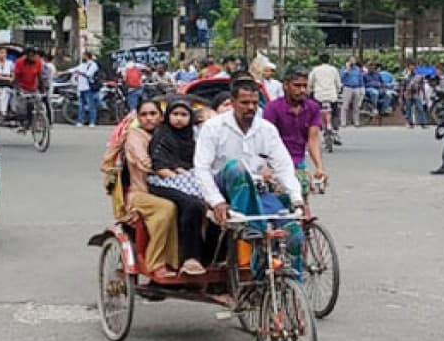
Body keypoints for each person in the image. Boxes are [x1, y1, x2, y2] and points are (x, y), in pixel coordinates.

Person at [194, 79, 305, 275]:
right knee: (237, 168)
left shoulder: (266, 129)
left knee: (294, 232)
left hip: (257, 191)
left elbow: (283, 165)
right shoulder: (213, 127)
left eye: (254, 103)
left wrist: (296, 197)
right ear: (233, 102)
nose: (250, 107)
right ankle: (255, 231)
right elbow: (201, 168)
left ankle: (293, 294)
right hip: (225, 186)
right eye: (245, 103)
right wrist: (216, 201)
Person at [109, 99, 182, 279]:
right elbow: (144, 162)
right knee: (166, 208)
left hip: (169, 188)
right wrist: (169, 168)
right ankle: (156, 262)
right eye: (144, 115)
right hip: (140, 193)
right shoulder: (135, 136)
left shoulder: (167, 134)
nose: (149, 118)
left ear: (161, 116)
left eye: (153, 114)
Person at [149, 98, 208, 276]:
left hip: (191, 179)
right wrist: (180, 175)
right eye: (175, 114)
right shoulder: (162, 136)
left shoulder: (195, 136)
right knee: (192, 205)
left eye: (184, 115)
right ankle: (189, 258)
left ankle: (212, 257)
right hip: (163, 182)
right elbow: (160, 167)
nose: (179, 119)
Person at [262, 66, 329, 198]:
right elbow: (265, 141)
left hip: (298, 163)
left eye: (305, 86)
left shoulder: (312, 108)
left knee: (302, 190)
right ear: (286, 85)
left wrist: (319, 167)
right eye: (297, 86)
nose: (302, 90)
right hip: (275, 164)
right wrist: (265, 167)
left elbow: (313, 139)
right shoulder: (272, 108)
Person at [309, 54, 341, 139]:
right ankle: (335, 130)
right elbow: (338, 83)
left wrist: (311, 89)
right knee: (335, 113)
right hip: (332, 96)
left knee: (316, 112)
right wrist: (337, 91)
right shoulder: (334, 70)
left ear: (320, 60)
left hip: (319, 96)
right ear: (329, 60)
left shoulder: (315, 70)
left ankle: (319, 126)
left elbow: (310, 82)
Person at [12, 48, 45, 129]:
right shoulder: (19, 62)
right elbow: (16, 78)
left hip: (33, 87)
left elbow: (40, 77)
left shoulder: (38, 62)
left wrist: (43, 91)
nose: (32, 57)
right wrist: (19, 90)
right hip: (22, 86)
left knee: (39, 105)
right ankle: (23, 123)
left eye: (33, 55)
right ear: (26, 56)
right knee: (22, 107)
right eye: (30, 55)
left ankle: (38, 122)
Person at [69, 51, 100, 128]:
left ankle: (92, 121)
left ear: (87, 56)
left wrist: (80, 72)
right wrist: (62, 72)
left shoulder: (93, 65)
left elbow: (89, 74)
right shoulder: (82, 65)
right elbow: (74, 69)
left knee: (91, 105)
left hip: (89, 87)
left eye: (83, 56)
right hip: (81, 87)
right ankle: (80, 121)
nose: (82, 57)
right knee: (81, 106)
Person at [339, 56, 366, 128]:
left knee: (356, 106)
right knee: (345, 106)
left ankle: (356, 122)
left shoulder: (358, 69)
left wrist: (361, 88)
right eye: (351, 60)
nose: (353, 61)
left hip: (357, 88)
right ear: (348, 61)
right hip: (347, 88)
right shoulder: (344, 68)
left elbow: (360, 79)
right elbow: (341, 78)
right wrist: (347, 70)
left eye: (354, 60)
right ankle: (343, 122)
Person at [402, 62, 428, 128]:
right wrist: (402, 95)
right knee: (408, 109)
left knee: (420, 109)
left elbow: (422, 86)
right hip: (408, 94)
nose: (412, 68)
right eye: (410, 66)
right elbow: (403, 86)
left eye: (413, 66)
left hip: (416, 94)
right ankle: (410, 123)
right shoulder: (406, 76)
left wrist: (424, 95)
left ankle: (423, 123)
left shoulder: (419, 76)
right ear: (408, 68)